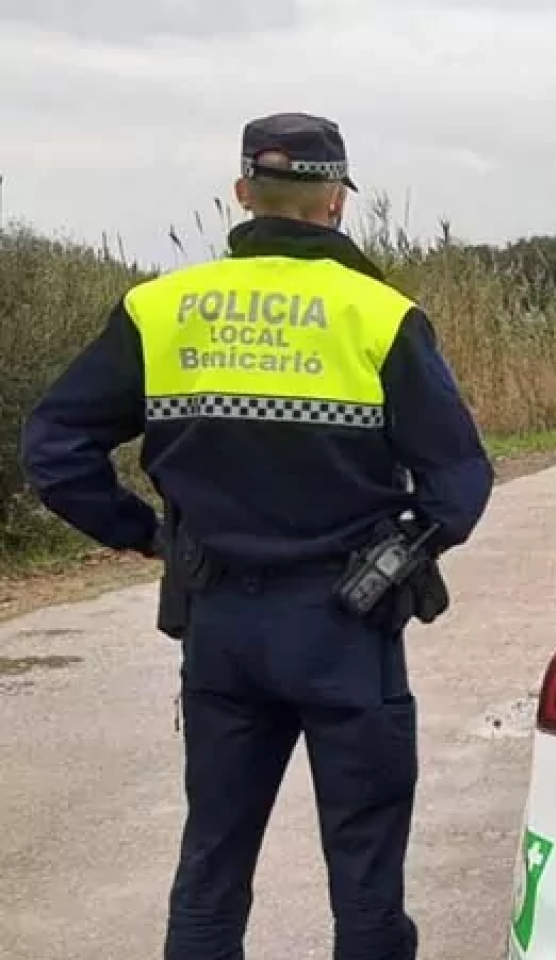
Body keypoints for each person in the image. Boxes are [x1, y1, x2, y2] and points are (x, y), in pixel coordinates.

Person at [19, 112, 495, 959]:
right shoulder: (379, 315)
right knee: (365, 882)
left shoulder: (160, 308)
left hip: (219, 627)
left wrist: (144, 534)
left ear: (243, 195)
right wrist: (404, 554)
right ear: (337, 203)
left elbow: (54, 449)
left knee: (211, 869)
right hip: (349, 622)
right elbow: (459, 482)